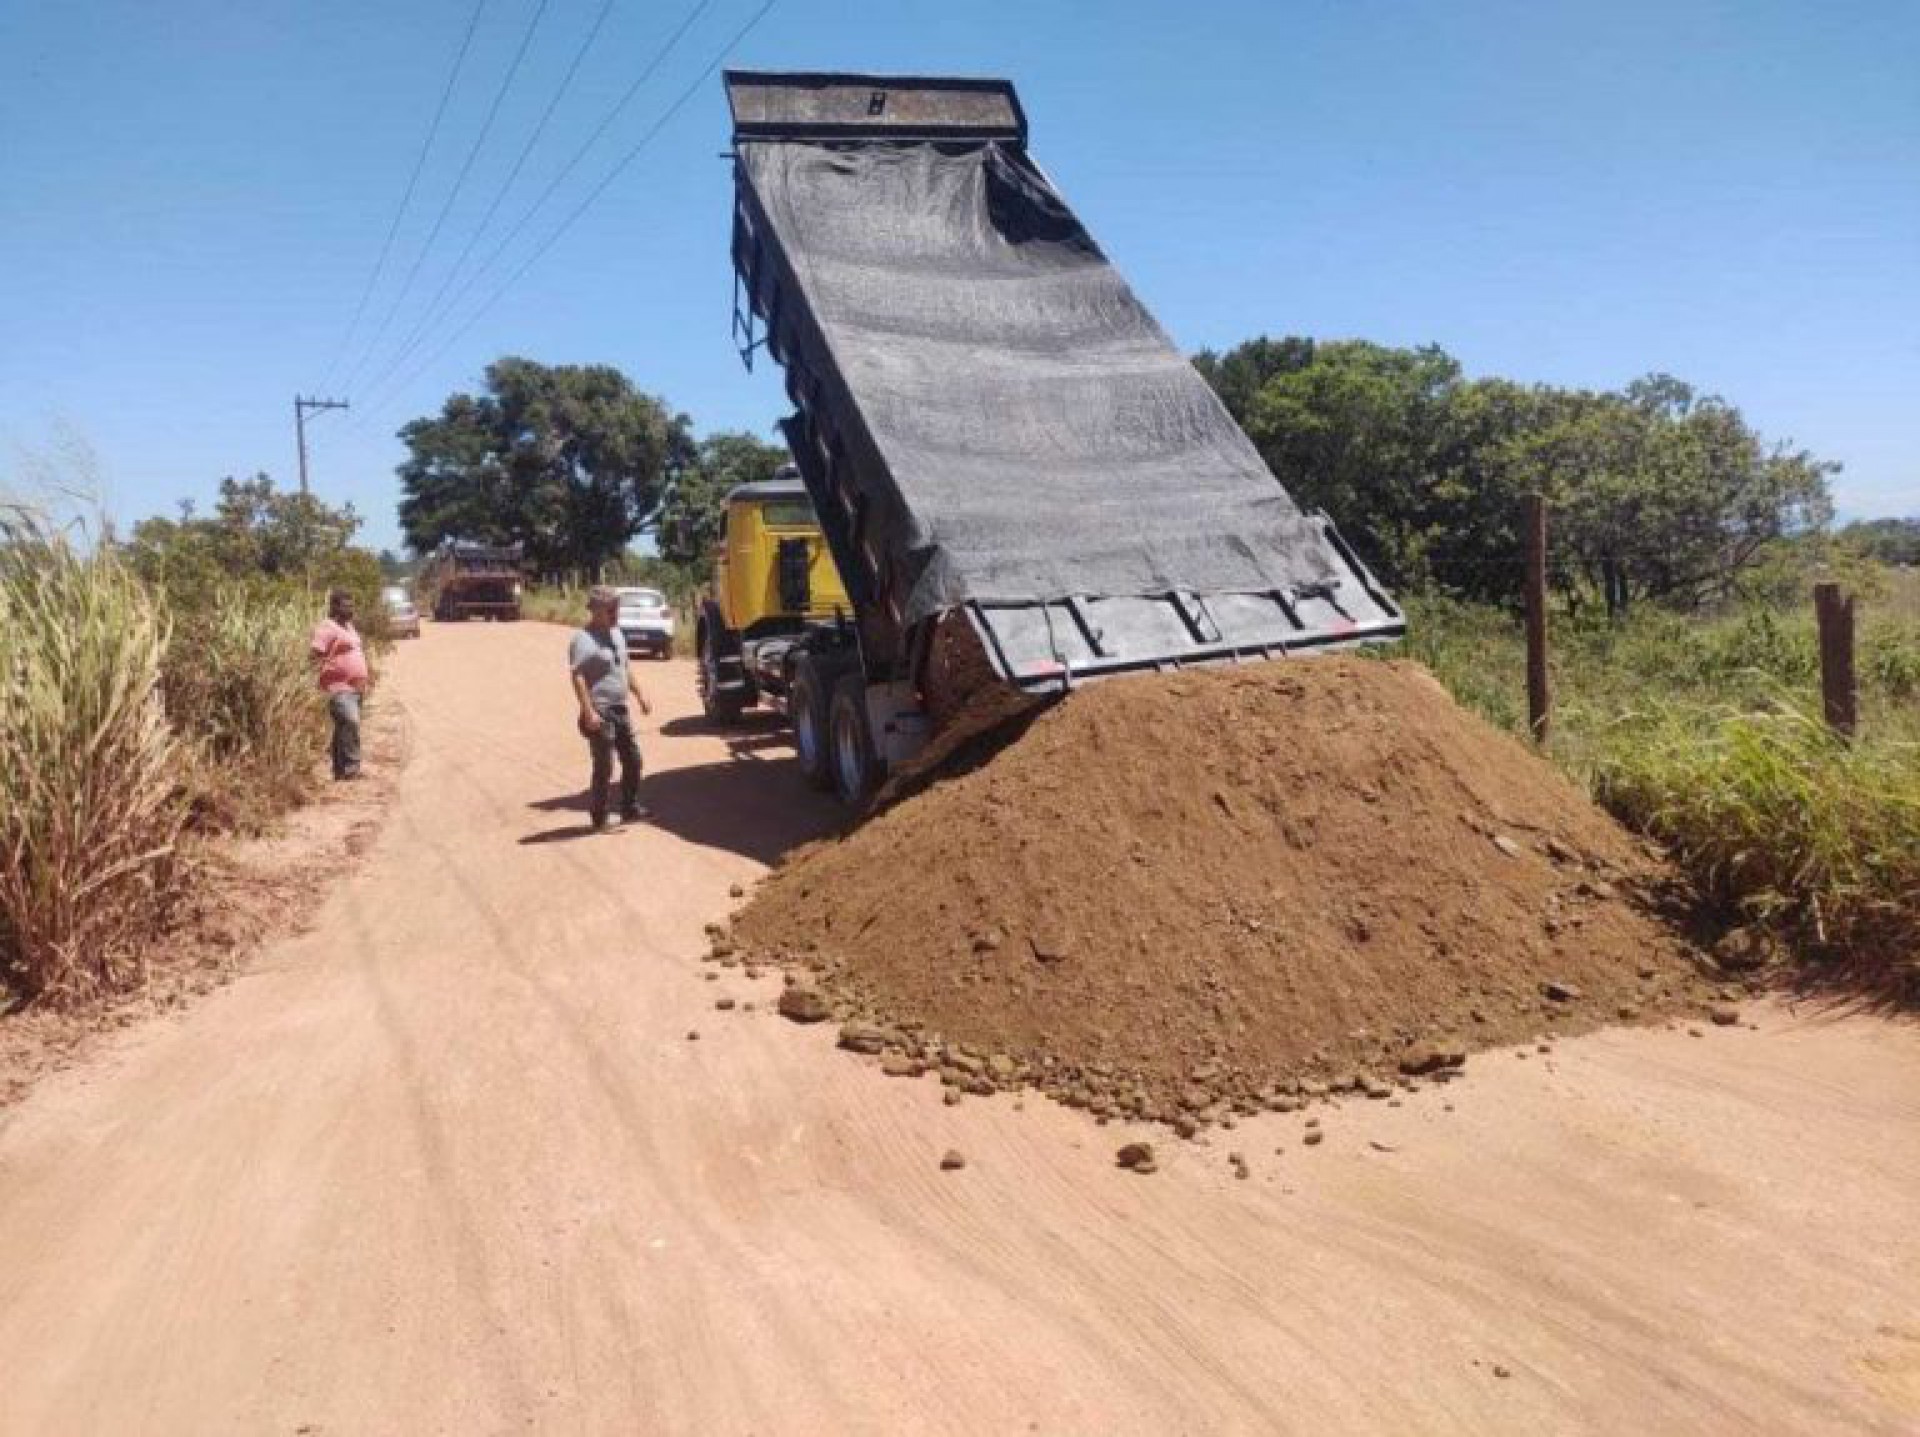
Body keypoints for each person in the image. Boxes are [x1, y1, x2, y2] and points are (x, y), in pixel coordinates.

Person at [570, 586, 653, 830]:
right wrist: (588, 712)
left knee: (633, 760)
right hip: (600, 711)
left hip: (620, 709)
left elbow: (625, 667)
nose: (616, 613)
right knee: (604, 766)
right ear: (596, 611)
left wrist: (640, 695)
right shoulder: (583, 640)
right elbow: (578, 677)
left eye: (617, 608)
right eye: (611, 609)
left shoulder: (617, 634)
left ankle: (630, 807)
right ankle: (600, 816)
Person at [310, 589, 370, 780]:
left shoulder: (349, 627)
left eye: (352, 606)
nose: (350, 609)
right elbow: (315, 654)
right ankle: (352, 768)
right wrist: (321, 678)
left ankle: (340, 770)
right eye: (346, 606)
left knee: (343, 728)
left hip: (355, 689)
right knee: (351, 722)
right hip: (338, 688)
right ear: (335, 607)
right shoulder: (327, 627)